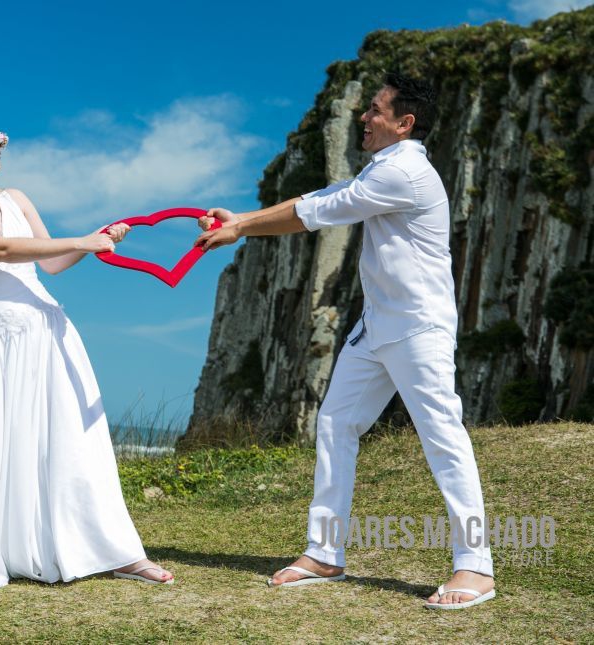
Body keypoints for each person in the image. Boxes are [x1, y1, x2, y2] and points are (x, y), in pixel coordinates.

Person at [196, 73, 495, 610]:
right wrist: (241, 217)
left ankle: (475, 567)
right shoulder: (382, 169)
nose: (364, 116)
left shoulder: (406, 171)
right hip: (376, 326)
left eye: (375, 110)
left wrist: (240, 229)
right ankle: (325, 553)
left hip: (419, 326)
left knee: (441, 435)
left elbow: (320, 212)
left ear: (404, 123)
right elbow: (328, 194)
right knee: (336, 423)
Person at [0, 120, 174, 589]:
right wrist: (81, 239)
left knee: (73, 442)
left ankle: (119, 552)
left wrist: (96, 237)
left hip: (47, 329)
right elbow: (1, 249)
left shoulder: (16, 199)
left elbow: (52, 264)